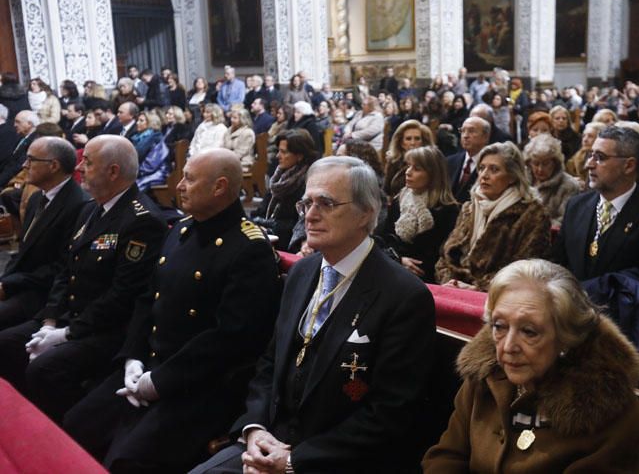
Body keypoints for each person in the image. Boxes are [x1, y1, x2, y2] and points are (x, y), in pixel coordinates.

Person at [190, 156, 436, 474]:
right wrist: (254, 430)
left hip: (335, 462)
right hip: (269, 443)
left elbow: (389, 412)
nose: (311, 215)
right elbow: (269, 365)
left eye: (326, 203)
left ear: (367, 213)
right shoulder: (303, 272)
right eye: (306, 203)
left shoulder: (404, 296)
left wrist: (294, 461)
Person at [63, 149, 281, 473]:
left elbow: (231, 339)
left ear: (219, 187)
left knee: (127, 461)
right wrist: (132, 358)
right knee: (75, 425)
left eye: (190, 179)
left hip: (197, 385)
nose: (179, 185)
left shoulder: (249, 249)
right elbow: (147, 299)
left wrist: (160, 381)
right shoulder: (181, 230)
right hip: (149, 366)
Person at [423, 259, 639, 473]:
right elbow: (447, 456)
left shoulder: (607, 407)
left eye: (529, 332)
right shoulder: (485, 375)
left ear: (566, 338)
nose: (508, 346)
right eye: (499, 326)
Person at [0, 135, 167, 422]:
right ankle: (25, 420)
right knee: (6, 343)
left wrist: (66, 333)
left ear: (113, 171)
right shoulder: (91, 209)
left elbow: (122, 295)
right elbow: (66, 269)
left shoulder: (142, 220)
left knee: (44, 369)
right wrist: (50, 320)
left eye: (88, 162)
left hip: (107, 329)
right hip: (70, 317)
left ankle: (63, 432)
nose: (79, 166)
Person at [552, 125, 639, 321]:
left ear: (628, 166)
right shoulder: (576, 206)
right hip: (567, 318)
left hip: (619, 324)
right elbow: (557, 263)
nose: (589, 164)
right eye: (590, 155)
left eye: (600, 157)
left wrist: (588, 292)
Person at [436, 142, 550, 291]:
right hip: (454, 290)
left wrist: (477, 288)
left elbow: (523, 270)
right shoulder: (469, 208)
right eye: (482, 168)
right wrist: (451, 282)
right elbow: (445, 258)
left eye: (494, 169)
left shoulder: (532, 214)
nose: (484, 175)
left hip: (499, 297)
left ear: (512, 177)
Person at [0, 138, 88, 330]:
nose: (24, 165)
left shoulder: (79, 204)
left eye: (31, 159)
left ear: (53, 165)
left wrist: (9, 285)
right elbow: (23, 253)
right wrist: (4, 281)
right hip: (22, 283)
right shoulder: (37, 198)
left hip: (44, 294)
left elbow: (62, 267)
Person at [382, 146, 459, 283]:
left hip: (427, 279)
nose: (408, 172)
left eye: (416, 169)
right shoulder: (399, 200)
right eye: (408, 166)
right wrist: (399, 260)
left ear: (433, 174)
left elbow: (445, 255)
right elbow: (382, 238)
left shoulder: (448, 209)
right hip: (393, 270)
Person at [252, 130, 318, 250]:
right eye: (278, 151)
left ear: (299, 156)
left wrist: (266, 227)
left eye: (283, 152)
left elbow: (297, 225)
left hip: (287, 244)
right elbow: (261, 210)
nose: (278, 156)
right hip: (268, 234)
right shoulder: (279, 177)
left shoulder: (308, 183)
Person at [524, 134, 581, 226]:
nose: (540, 169)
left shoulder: (569, 186)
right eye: (535, 163)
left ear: (555, 163)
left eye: (545, 164)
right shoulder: (523, 180)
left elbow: (564, 221)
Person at [383, 120, 435, 198]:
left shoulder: (431, 163)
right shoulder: (394, 161)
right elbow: (386, 190)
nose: (413, 143)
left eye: (417, 139)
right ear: (401, 143)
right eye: (408, 139)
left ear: (423, 142)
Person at [446, 117, 491, 203]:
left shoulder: (491, 166)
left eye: (471, 131)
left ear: (485, 137)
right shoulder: (449, 162)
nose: (465, 136)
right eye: (463, 131)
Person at [0, 111, 40, 189]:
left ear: (29, 124)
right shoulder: (21, 137)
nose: (15, 125)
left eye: (18, 122)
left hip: (14, 181)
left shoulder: (34, 142)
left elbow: (17, 167)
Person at [224, 106, 256, 172]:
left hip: (243, 163)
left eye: (235, 118)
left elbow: (239, 153)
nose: (231, 120)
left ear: (242, 119)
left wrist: (224, 160)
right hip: (228, 161)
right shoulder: (229, 130)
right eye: (231, 117)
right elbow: (222, 146)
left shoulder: (248, 133)